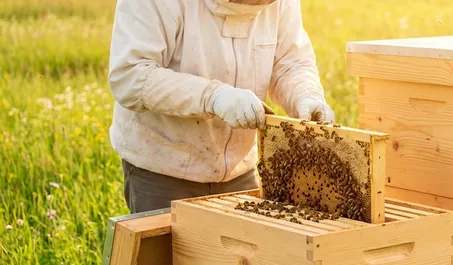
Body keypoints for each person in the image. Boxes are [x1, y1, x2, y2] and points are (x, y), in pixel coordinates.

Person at [107, 0, 335, 214]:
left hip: (240, 170)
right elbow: (131, 75)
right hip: (163, 170)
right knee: (168, 256)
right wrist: (212, 97)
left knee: (238, 255)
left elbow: (290, 62)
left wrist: (305, 95)